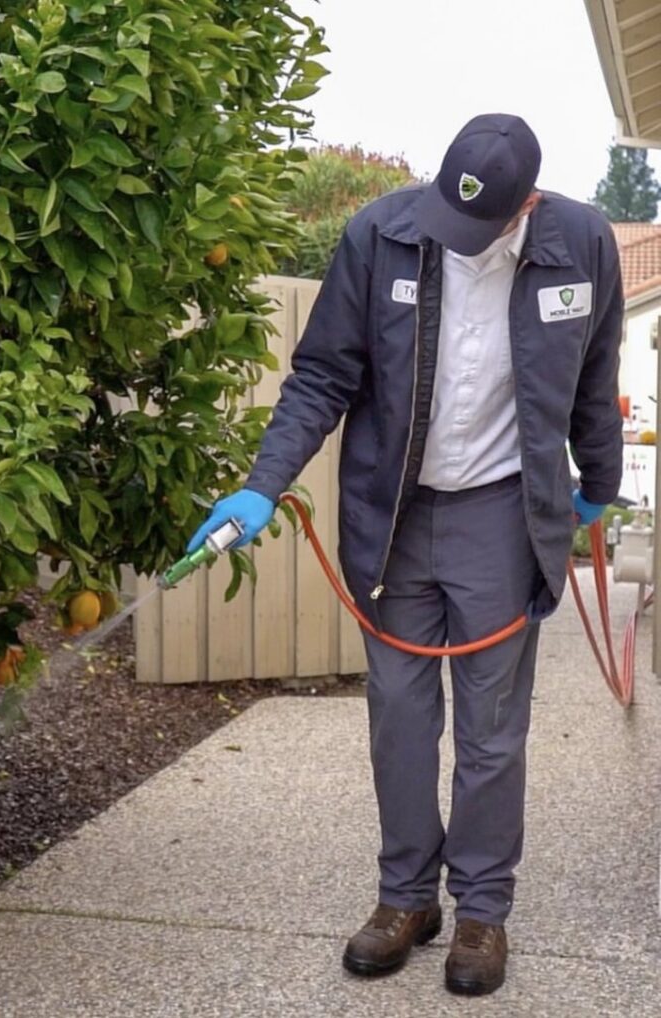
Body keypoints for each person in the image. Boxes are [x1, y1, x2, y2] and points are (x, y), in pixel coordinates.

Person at [187, 113, 623, 996]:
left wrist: (596, 486)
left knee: (493, 735)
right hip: (396, 516)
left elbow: (593, 371)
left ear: (524, 206)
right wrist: (263, 484)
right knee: (398, 716)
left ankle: (482, 913)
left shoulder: (582, 245)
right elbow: (322, 375)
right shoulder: (380, 234)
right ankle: (405, 900)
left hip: (504, 515)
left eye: (481, 227)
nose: (456, 241)